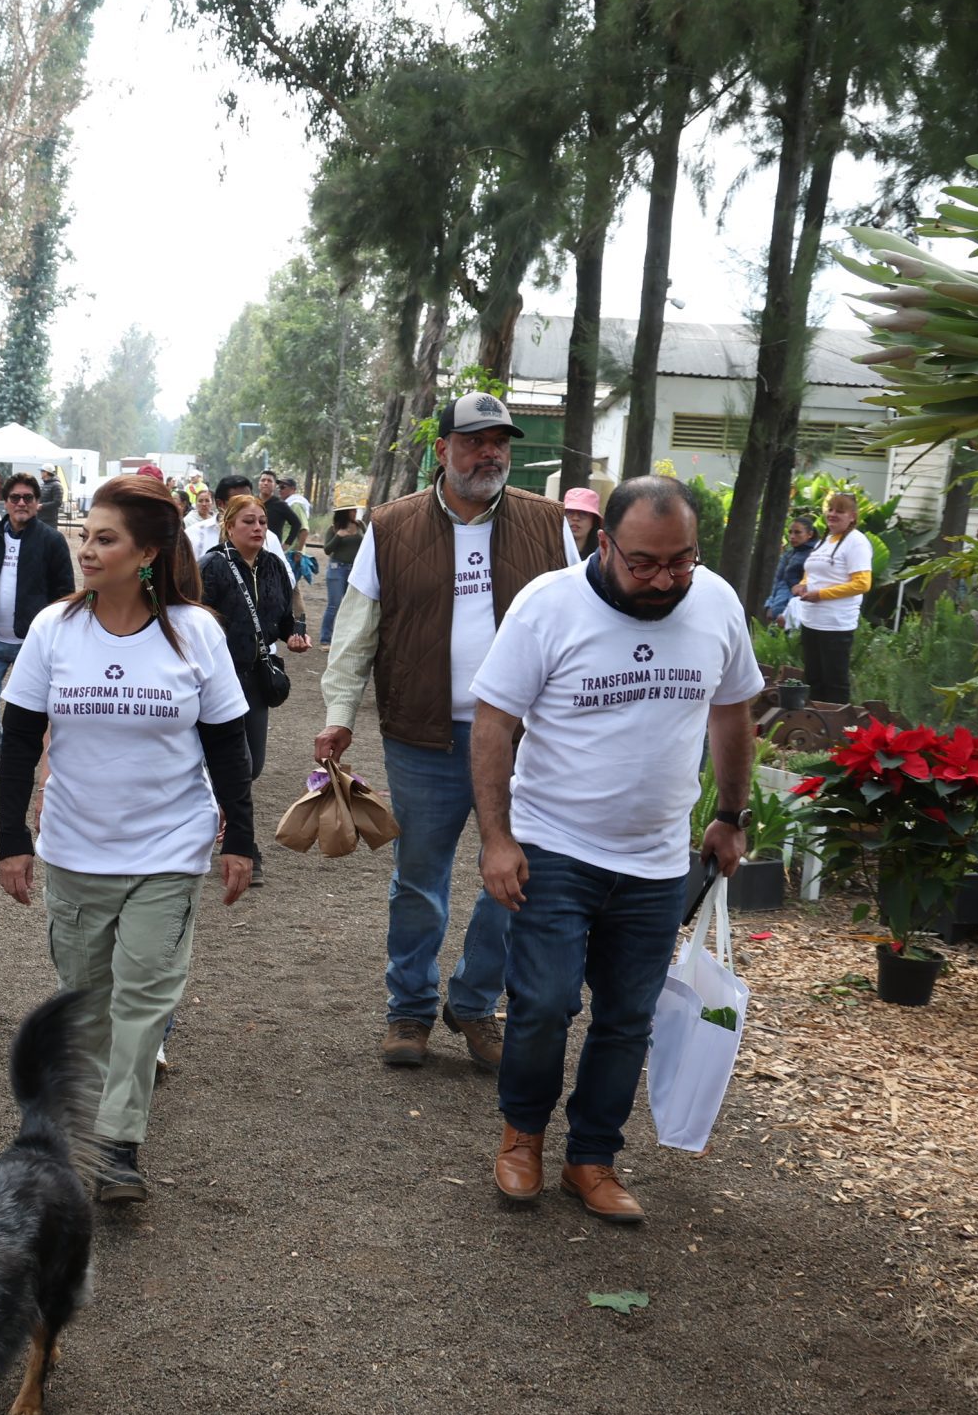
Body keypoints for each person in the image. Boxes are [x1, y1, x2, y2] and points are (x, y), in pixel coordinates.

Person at [470, 476, 761, 1224]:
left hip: (656, 859)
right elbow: (493, 723)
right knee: (543, 1003)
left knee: (628, 1016)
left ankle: (592, 1157)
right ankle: (523, 1136)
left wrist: (730, 814)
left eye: (680, 561)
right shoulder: (549, 606)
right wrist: (497, 839)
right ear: (604, 544)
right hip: (553, 846)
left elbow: (732, 714)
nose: (664, 579)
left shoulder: (718, 604)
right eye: (644, 563)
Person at [0, 475, 257, 1203]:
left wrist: (243, 840)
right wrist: (10, 838)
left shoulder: (195, 631)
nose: (86, 548)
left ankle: (116, 1144)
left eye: (104, 537)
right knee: (87, 999)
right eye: (86, 534)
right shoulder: (55, 629)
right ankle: (93, 1120)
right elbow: (18, 738)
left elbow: (227, 742)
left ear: (146, 553)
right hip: (76, 848)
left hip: (170, 848)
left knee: (144, 998)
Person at [314, 392, 573, 1073]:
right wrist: (339, 713)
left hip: (523, 741)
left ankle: (475, 999)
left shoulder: (551, 527)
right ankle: (409, 1007)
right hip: (422, 735)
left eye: (500, 442)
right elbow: (357, 627)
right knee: (419, 881)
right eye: (475, 441)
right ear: (443, 450)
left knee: (516, 876)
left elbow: (580, 628)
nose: (490, 453)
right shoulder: (391, 526)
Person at [0, 470, 74, 780]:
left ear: (38, 503)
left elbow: (65, 591)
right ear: (5, 502)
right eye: (15, 497)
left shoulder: (52, 541)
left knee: (36, 708)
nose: (21, 502)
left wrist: (54, 633)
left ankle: (44, 762)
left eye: (28, 497)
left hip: (32, 644)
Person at [197, 493, 307, 786]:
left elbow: (284, 617)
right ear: (230, 526)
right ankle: (217, 815)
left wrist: (294, 635)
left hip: (258, 676)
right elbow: (193, 623)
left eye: (262, 521)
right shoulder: (212, 565)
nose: (258, 527)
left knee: (253, 765)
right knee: (228, 760)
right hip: (219, 676)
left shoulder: (274, 566)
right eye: (249, 521)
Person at [795, 490, 872, 702]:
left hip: (836, 624)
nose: (832, 514)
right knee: (813, 679)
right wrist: (802, 586)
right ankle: (817, 728)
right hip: (812, 621)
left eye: (840, 510)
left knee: (834, 682)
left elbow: (862, 583)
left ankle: (839, 731)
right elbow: (812, 571)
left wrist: (821, 594)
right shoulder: (826, 539)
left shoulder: (856, 542)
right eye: (830, 509)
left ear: (852, 516)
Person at [762, 513, 818, 625]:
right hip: (778, 607)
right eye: (790, 532)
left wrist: (787, 611)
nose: (792, 536)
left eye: (798, 532)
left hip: (798, 610)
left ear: (810, 534)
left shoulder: (816, 554)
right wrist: (770, 604)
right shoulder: (788, 554)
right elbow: (778, 581)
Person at [320, 505, 363, 646]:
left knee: (350, 605)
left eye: (356, 510)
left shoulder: (361, 525)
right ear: (344, 513)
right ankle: (325, 639)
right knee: (334, 605)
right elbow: (327, 550)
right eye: (352, 510)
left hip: (355, 570)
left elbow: (368, 543)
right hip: (337, 569)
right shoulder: (334, 528)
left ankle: (344, 638)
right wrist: (339, 536)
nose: (355, 513)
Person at [255, 470, 303, 550]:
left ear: (274, 486)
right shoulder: (251, 502)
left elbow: (297, 523)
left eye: (269, 481)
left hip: (272, 549)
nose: (265, 483)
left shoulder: (280, 505)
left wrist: (287, 543)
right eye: (263, 480)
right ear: (259, 484)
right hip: (252, 547)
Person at [561, 485, 602, 556]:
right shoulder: (547, 552)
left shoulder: (601, 559)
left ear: (594, 521)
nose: (575, 518)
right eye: (570, 512)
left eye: (583, 513)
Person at [183, 486, 219, 563]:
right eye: (200, 501)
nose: (204, 504)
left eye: (207, 501)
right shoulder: (188, 520)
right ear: (196, 503)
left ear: (212, 503)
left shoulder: (217, 521)